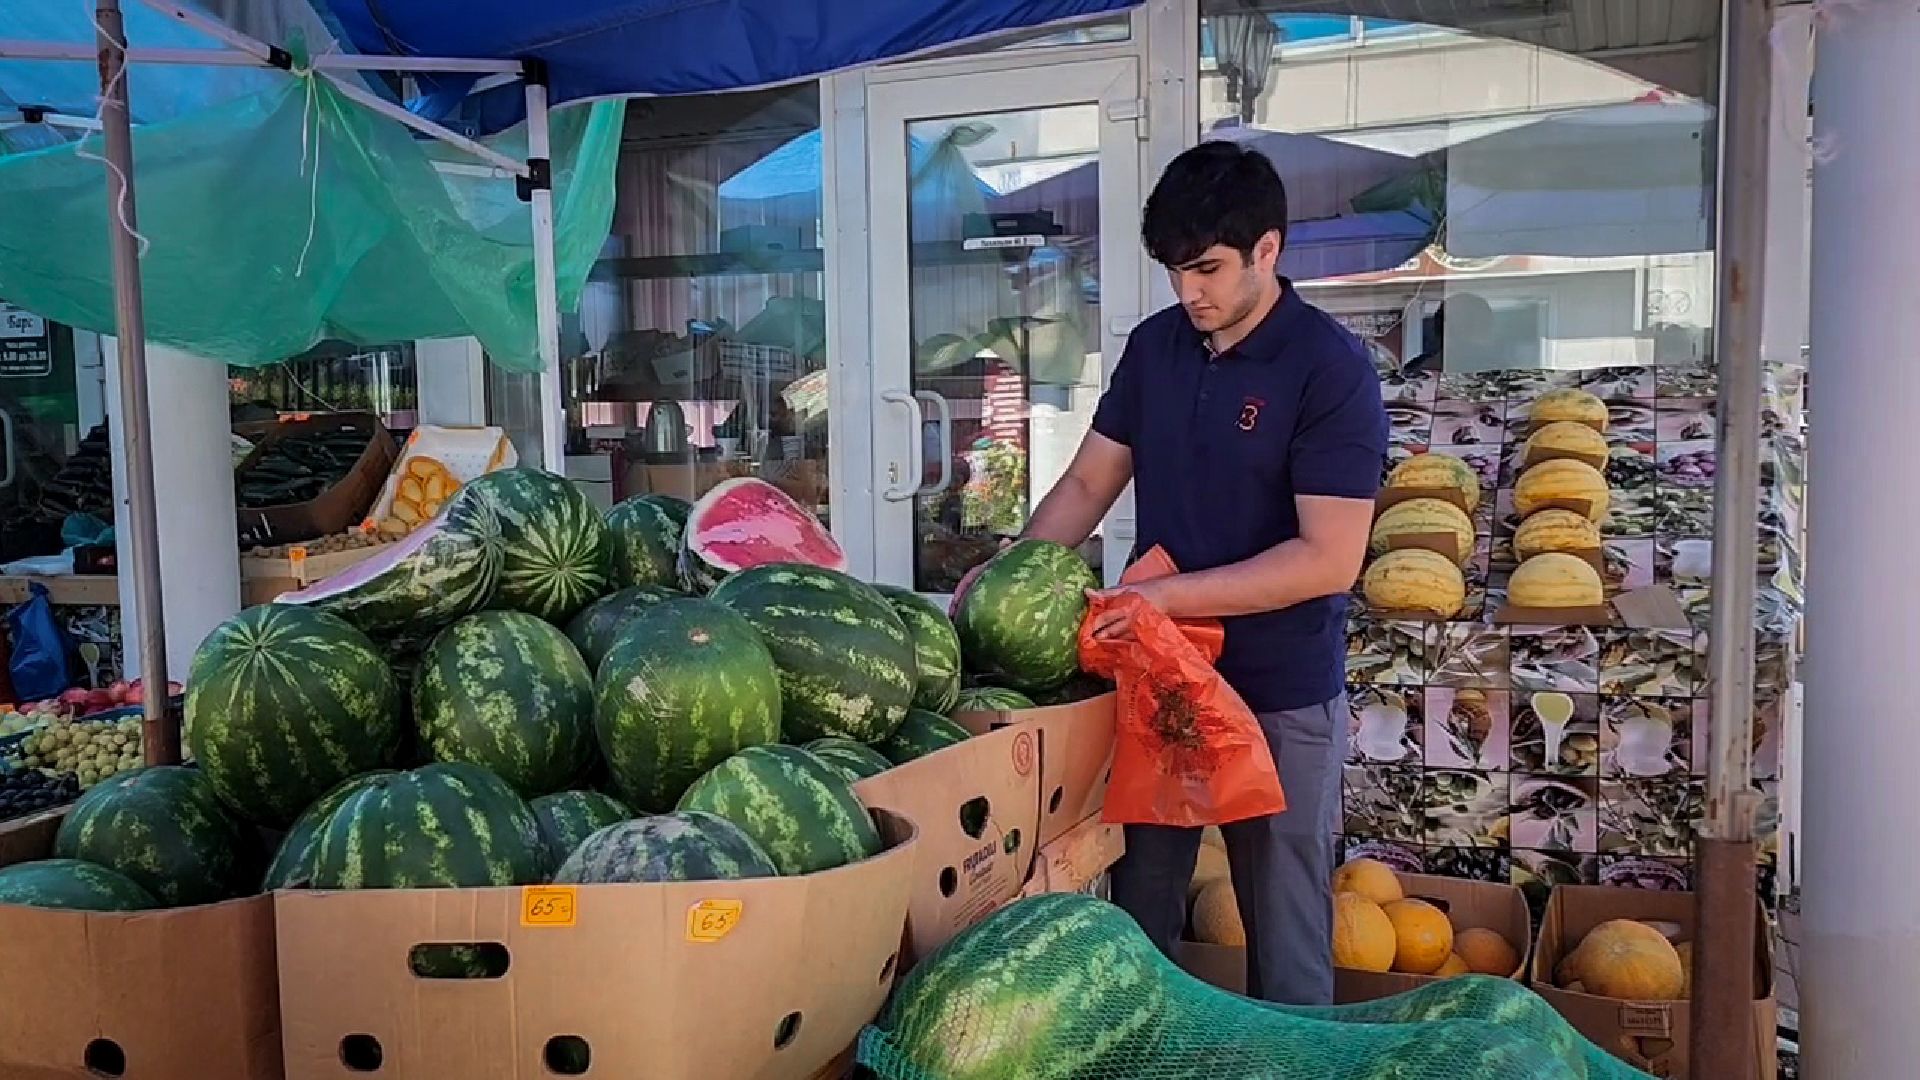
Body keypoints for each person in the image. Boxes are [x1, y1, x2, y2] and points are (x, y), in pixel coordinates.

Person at [1020, 140, 1389, 1005]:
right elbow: (1087, 484)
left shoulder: (1331, 371)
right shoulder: (1157, 348)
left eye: (1208, 269)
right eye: (1175, 271)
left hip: (1278, 688)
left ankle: (1291, 1062)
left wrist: (1157, 597)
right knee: (1140, 908)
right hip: (1162, 677)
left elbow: (1328, 558)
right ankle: (1142, 1047)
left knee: (1283, 927)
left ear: (1269, 249)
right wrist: (1014, 576)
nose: (1190, 292)